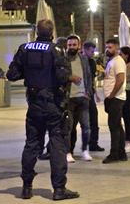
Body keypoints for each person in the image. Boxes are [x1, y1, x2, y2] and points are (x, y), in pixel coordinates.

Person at [6, 19, 79, 201]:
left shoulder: (25, 48)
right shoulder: (56, 50)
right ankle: (59, 189)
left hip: (34, 103)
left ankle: (26, 187)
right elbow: (62, 76)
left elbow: (12, 74)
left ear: (36, 31)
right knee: (57, 145)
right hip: (53, 103)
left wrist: (30, 73)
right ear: (52, 32)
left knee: (32, 144)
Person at [38, 36, 68, 161]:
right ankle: (53, 151)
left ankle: (51, 150)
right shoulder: (58, 56)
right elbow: (61, 76)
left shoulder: (49, 55)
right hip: (55, 97)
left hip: (48, 97)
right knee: (57, 127)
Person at [66, 35, 93, 163]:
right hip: (69, 99)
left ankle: (84, 150)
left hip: (83, 97)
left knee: (86, 126)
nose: (71, 47)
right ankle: (68, 152)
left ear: (79, 46)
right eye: (69, 45)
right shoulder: (63, 59)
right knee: (69, 128)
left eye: (74, 45)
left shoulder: (83, 59)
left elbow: (88, 75)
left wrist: (88, 92)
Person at [102, 38, 127, 164]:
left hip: (116, 98)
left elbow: (120, 80)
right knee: (117, 126)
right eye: (107, 47)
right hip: (113, 98)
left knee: (114, 127)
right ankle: (121, 153)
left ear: (117, 48)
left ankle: (114, 154)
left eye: (110, 47)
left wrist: (111, 95)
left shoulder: (118, 61)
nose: (108, 49)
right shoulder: (111, 61)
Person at [83, 41, 105, 152]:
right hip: (81, 94)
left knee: (94, 119)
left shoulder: (92, 62)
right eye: (91, 51)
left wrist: (96, 94)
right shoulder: (80, 61)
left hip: (90, 94)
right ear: (85, 49)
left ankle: (93, 143)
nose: (93, 53)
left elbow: (92, 79)